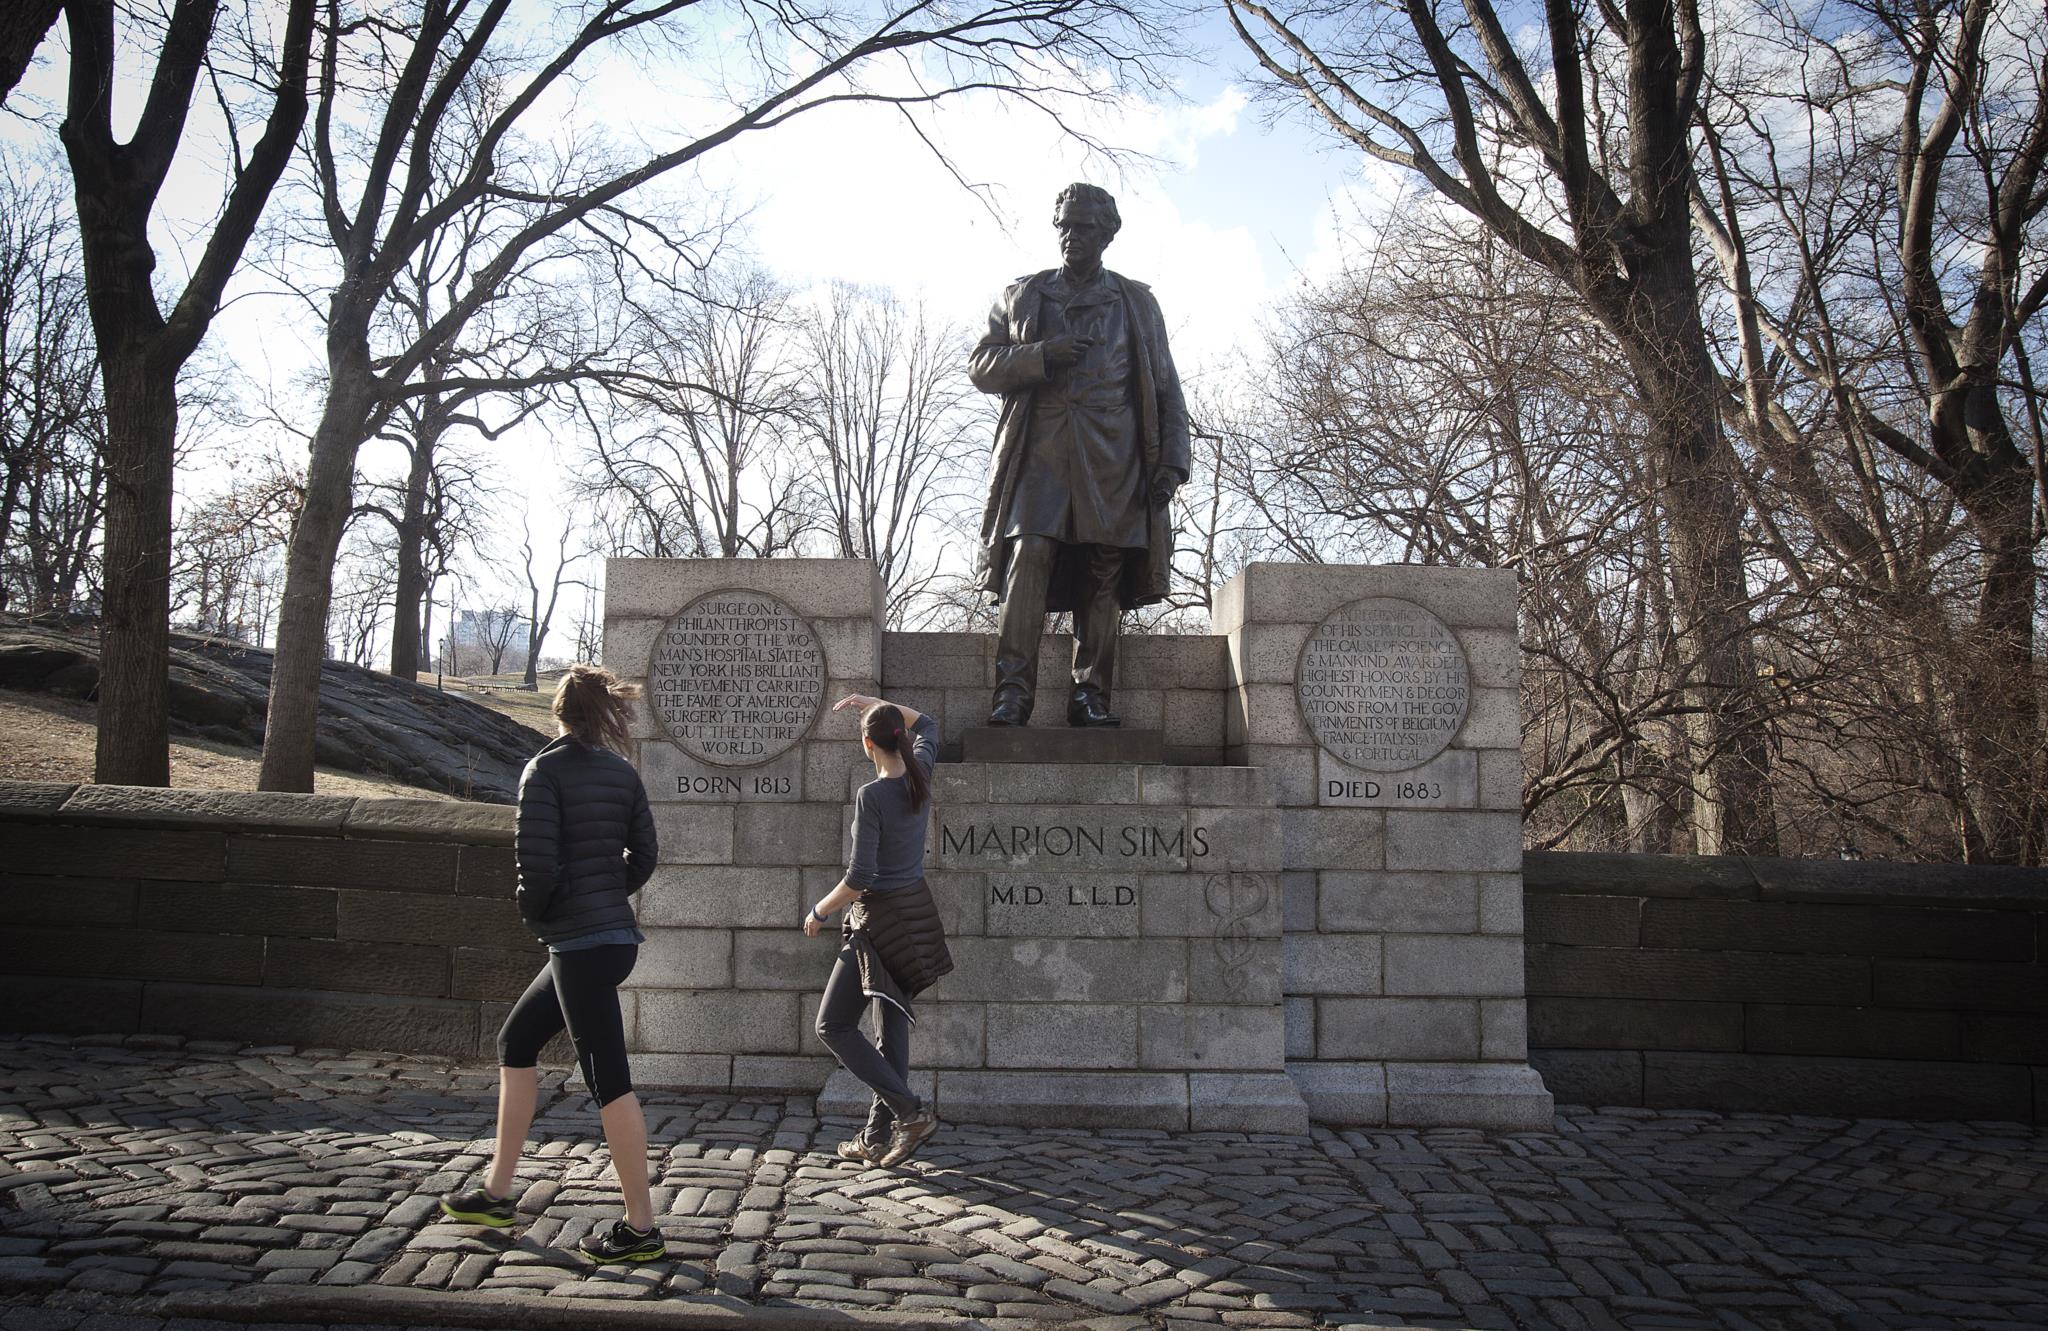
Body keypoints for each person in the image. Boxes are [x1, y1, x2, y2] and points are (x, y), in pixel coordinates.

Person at [439, 664, 665, 1265]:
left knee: (609, 1081)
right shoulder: (622, 772)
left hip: (580, 941)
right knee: (516, 1040)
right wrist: (605, 891)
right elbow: (646, 854)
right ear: (601, 713)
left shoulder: (542, 770)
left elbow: (535, 871)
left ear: (558, 713)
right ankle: (496, 1193)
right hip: (608, 937)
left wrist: (541, 913)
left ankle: (641, 1230)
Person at [970, 182, 1190, 729]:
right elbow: (981, 365)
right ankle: (1012, 695)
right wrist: (1042, 355)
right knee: (1029, 558)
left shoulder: (1136, 302)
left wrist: (1172, 461)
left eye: (1085, 228)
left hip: (1113, 456)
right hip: (1038, 457)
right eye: (1065, 225)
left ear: (1107, 234)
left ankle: (1090, 695)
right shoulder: (1022, 295)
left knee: (1103, 570)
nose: (1072, 236)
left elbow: (1165, 384)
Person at [804, 693, 954, 1167]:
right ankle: (875, 1137)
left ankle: (909, 1112)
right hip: (914, 918)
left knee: (832, 1024)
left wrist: (819, 910)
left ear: (867, 744)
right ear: (899, 739)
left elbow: (860, 877)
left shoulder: (873, 795)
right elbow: (928, 722)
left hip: (876, 924)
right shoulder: (920, 773)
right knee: (890, 1026)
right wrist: (876, 702)